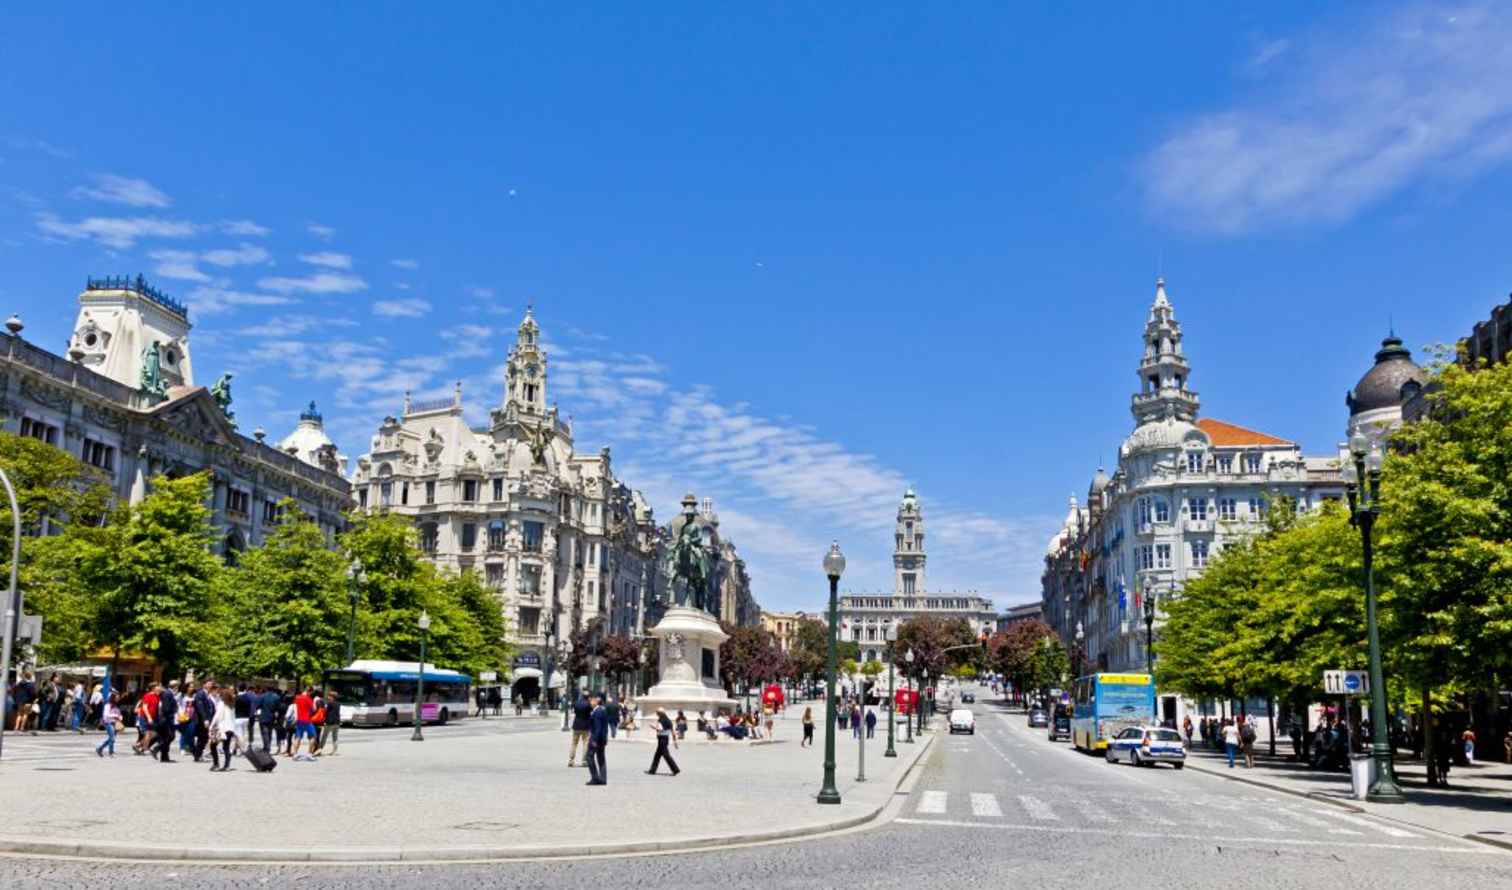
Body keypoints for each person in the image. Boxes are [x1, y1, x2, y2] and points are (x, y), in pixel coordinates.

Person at [209, 688, 238, 771]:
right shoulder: (232, 705)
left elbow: (217, 716)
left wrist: (211, 725)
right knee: (226, 747)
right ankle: (227, 765)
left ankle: (216, 764)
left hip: (223, 729)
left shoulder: (221, 704)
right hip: (230, 728)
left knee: (213, 745)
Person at [646, 707, 680, 776]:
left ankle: (675, 769)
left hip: (662, 739)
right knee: (657, 755)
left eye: (657, 713)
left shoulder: (661, 720)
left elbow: (660, 729)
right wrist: (674, 741)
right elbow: (672, 731)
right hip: (665, 738)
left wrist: (653, 727)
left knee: (666, 755)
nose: (657, 714)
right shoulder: (668, 720)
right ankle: (652, 770)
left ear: (660, 713)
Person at [585, 692, 609, 786]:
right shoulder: (602, 710)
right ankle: (603, 779)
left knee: (589, 757)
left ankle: (595, 778)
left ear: (597, 700)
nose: (590, 702)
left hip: (596, 739)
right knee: (601, 758)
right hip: (601, 739)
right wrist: (605, 738)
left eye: (591, 700)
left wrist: (594, 740)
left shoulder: (598, 711)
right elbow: (605, 727)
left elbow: (598, 728)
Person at [289, 685, 316, 760]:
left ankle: (295, 754)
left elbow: (294, 706)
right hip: (307, 720)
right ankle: (309, 754)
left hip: (299, 720)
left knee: (298, 737)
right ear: (310, 691)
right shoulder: (308, 699)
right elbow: (313, 709)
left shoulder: (297, 697)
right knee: (312, 736)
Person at [154, 680, 178, 763]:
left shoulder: (168, 693)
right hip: (166, 719)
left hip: (165, 719)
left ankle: (164, 757)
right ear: (175, 686)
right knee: (170, 736)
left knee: (166, 737)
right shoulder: (168, 693)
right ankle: (157, 748)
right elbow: (166, 708)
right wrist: (174, 711)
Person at [568, 692, 592, 767]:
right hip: (585, 726)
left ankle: (571, 760)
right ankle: (584, 761)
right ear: (588, 697)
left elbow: (575, 712)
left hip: (576, 725)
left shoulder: (576, 703)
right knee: (585, 743)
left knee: (574, 743)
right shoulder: (588, 704)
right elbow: (590, 713)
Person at [96, 692, 122, 758]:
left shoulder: (116, 706)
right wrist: (115, 716)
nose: (118, 699)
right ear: (113, 698)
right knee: (112, 738)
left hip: (115, 723)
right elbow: (105, 715)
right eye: (117, 698)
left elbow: (118, 714)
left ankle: (100, 748)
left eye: (118, 698)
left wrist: (120, 716)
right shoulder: (107, 705)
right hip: (108, 723)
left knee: (111, 738)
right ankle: (111, 753)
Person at [257, 685, 281, 752]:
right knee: (269, 732)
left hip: (263, 716)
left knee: (264, 733)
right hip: (272, 716)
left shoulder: (262, 696)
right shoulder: (276, 697)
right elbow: (278, 707)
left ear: (267, 689)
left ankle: (266, 747)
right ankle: (268, 746)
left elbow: (258, 705)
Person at [319, 691, 341, 755]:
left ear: (332, 697)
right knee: (335, 737)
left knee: (324, 736)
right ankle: (335, 751)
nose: (328, 697)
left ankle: (320, 749)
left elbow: (326, 712)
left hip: (329, 722)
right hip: (337, 722)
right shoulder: (338, 703)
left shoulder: (330, 703)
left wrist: (324, 720)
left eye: (329, 696)